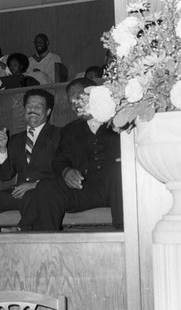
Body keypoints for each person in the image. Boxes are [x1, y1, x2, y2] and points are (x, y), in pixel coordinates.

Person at [30, 78, 123, 231]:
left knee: (119, 170)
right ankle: (47, 243)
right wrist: (66, 171)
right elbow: (59, 161)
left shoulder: (119, 121)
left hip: (117, 191)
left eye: (79, 98)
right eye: (71, 103)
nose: (75, 105)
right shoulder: (70, 130)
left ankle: (124, 236)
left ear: (93, 94)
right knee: (47, 186)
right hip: (85, 191)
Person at [0, 89, 61, 232]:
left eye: (38, 107)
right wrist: (2, 148)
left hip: (44, 192)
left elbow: (64, 171)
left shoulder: (59, 135)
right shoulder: (15, 140)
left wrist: (35, 185)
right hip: (18, 193)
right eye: (29, 106)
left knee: (33, 196)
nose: (33, 110)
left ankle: (21, 237)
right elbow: (4, 176)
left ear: (48, 111)